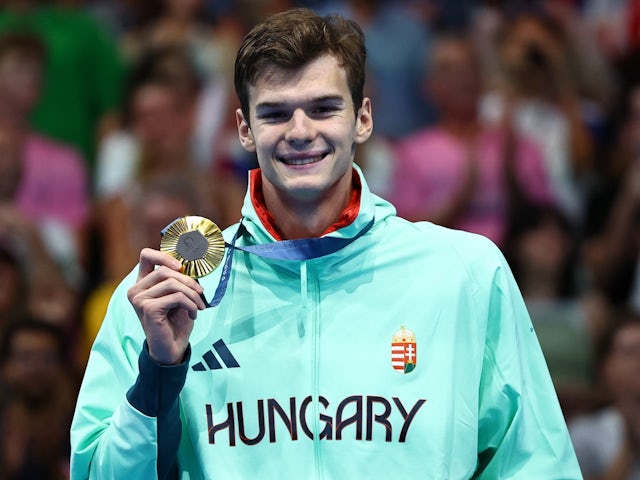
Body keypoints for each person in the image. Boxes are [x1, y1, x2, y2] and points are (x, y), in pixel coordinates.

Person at [71, 8, 581, 479]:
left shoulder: (463, 274)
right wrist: (158, 375)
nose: (300, 131)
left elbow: (534, 463)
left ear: (362, 118)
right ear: (244, 129)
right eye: (274, 114)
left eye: (322, 108)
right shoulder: (168, 296)